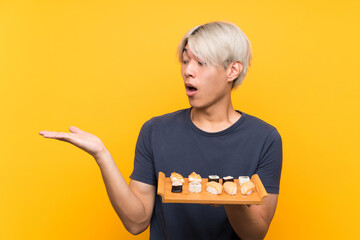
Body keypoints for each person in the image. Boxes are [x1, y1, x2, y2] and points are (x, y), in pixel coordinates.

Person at [39, 21, 282, 240]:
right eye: (186, 61)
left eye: (201, 62)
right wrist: (101, 155)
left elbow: (255, 234)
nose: (188, 70)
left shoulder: (265, 139)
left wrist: (231, 198)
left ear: (232, 70)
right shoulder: (155, 131)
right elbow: (136, 222)